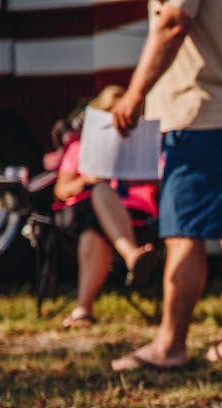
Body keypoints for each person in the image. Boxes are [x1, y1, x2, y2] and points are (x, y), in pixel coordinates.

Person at [109, 0, 222, 370]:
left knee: (185, 236)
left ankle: (170, 345)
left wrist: (135, 93)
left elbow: (173, 20)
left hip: (200, 115)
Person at [53, 86, 160, 329]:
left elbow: (162, 182)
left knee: (95, 225)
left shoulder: (145, 143)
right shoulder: (80, 146)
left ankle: (83, 309)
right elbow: (61, 190)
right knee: (100, 195)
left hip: (136, 213)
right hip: (86, 210)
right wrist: (85, 180)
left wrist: (142, 174)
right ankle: (132, 255)